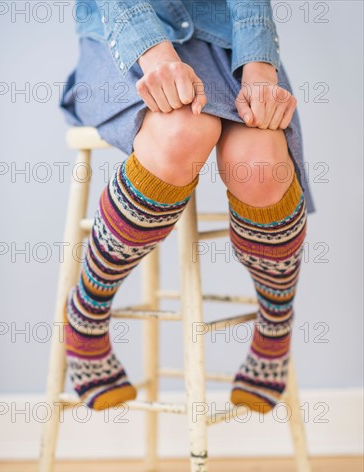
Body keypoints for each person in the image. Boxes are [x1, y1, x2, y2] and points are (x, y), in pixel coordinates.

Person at [60, 0, 317, 413]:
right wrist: (154, 52)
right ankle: (87, 307)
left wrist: (258, 66)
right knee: (180, 132)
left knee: (262, 166)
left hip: (230, 46)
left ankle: (276, 319)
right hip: (123, 40)